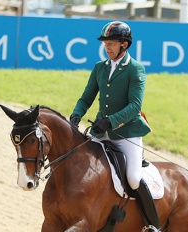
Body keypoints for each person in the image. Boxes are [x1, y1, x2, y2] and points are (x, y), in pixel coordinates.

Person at [69, 21, 161, 231]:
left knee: (134, 179)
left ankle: (152, 224)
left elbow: (135, 106)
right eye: (105, 44)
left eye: (111, 43)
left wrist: (110, 121)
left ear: (124, 45)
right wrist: (76, 115)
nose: (107, 47)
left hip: (127, 133)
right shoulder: (99, 68)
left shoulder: (135, 69)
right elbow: (86, 97)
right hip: (100, 132)